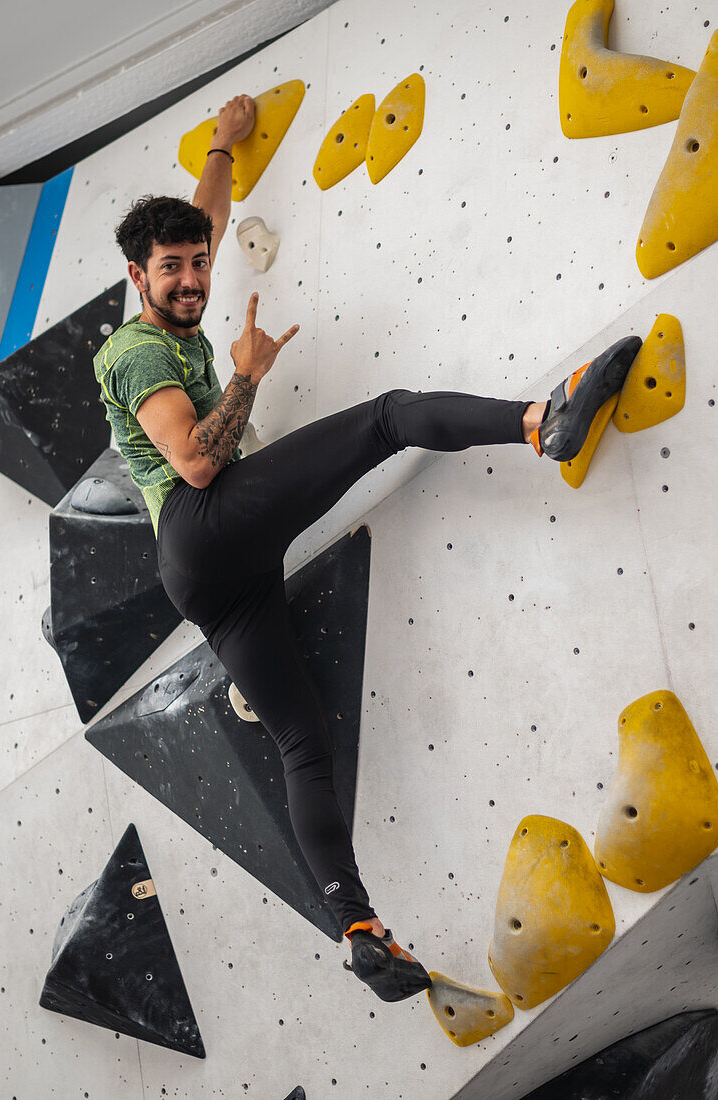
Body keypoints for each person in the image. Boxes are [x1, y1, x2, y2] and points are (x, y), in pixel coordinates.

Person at [94, 94, 641, 1003]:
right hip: (205, 522)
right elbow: (193, 464)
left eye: (197, 262)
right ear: (135, 276)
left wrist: (225, 148)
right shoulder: (135, 354)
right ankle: (546, 422)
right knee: (387, 418)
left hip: (212, 581)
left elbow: (212, 215)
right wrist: (246, 374)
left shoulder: (179, 279)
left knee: (303, 738)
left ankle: (358, 926)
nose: (192, 277)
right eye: (173, 269)